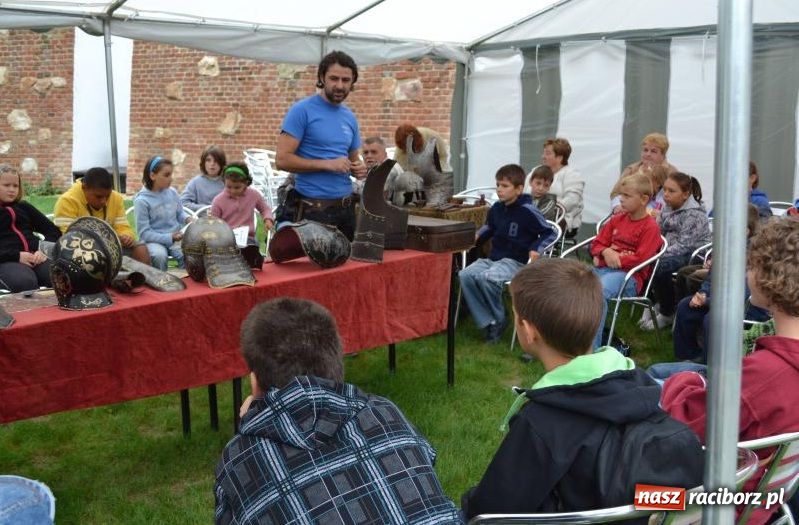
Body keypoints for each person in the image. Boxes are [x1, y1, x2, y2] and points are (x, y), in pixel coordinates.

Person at [461, 258, 703, 519]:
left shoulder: (541, 421)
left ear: (529, 331)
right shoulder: (639, 387)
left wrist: (467, 502)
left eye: (516, 315)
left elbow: (491, 512)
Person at [214, 297, 461, 525]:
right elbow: (425, 462)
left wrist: (250, 432)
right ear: (335, 362)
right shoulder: (384, 411)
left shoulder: (238, 458)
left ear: (255, 383)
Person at [662, 216, 799, 525]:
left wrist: (683, 381)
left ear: (767, 277)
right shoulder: (775, 367)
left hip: (717, 501)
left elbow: (681, 422)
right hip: (767, 499)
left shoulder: (765, 374)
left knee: (625, 494)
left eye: (750, 265)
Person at [459, 164, 557, 343]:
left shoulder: (528, 211)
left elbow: (550, 232)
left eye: (505, 186)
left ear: (519, 189)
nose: (499, 190)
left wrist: (536, 248)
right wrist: (477, 236)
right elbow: (490, 227)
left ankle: (500, 318)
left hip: (516, 262)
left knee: (485, 278)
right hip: (494, 259)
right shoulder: (497, 208)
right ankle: (488, 321)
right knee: (465, 275)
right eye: (498, 185)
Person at [275, 50, 367, 240]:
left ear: (352, 83)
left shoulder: (350, 117)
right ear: (321, 77)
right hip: (312, 211)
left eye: (346, 80)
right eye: (334, 78)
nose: (339, 85)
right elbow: (282, 160)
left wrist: (358, 168)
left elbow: (352, 160)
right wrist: (326, 164)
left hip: (346, 211)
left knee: (348, 270)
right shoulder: (301, 110)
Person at [668, 204, 769, 363]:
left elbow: (744, 293)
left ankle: (712, 367)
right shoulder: (726, 248)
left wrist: (708, 301)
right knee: (685, 307)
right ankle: (687, 357)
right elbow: (712, 277)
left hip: (748, 308)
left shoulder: (755, 255)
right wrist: (702, 293)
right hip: (719, 302)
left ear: (745, 231)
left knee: (713, 319)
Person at [590, 173, 662, 349]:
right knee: (570, 281)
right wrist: (606, 251)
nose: (621, 200)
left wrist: (615, 258)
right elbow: (596, 244)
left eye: (627, 196)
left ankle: (591, 351)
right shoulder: (617, 220)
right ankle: (568, 342)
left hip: (630, 278)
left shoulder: (650, 227)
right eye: (621, 195)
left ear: (644, 199)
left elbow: (641, 259)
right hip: (607, 271)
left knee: (597, 291)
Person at [639, 172, 711, 330]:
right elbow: (657, 232)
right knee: (642, 261)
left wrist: (656, 255)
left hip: (693, 255)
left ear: (685, 195)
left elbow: (684, 245)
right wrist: (649, 249)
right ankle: (654, 302)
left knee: (659, 266)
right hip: (670, 251)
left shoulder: (695, 214)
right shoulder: (668, 207)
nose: (665, 194)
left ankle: (667, 312)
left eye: (671, 191)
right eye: (664, 190)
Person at [53, 167, 150, 264]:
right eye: (98, 196)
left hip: (110, 248)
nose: (104, 201)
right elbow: (69, 239)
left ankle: (141, 279)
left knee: (140, 248)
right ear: (84, 187)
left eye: (107, 196)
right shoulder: (67, 201)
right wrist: (105, 241)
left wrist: (126, 236)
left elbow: (123, 227)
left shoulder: (116, 198)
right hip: (79, 254)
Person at [0, 165, 61, 292]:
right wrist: (17, 256)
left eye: (15, 186)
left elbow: (53, 231)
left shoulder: (23, 207)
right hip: (7, 261)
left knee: (60, 276)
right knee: (25, 282)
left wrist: (43, 250)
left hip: (36, 258)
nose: (12, 190)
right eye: (6, 185)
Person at [133, 156, 191, 271]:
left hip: (176, 240)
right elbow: (144, 233)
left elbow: (180, 213)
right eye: (166, 175)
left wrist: (187, 219)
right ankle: (161, 283)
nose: (171, 179)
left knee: (188, 254)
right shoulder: (141, 201)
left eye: (171, 174)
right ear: (152, 175)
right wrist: (169, 237)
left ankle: (185, 284)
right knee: (159, 256)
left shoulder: (172, 192)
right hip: (153, 242)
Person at [611, 133, 678, 213]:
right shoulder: (631, 169)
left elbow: (676, 200)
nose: (648, 154)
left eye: (653, 151)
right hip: (628, 215)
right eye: (645, 150)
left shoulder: (672, 173)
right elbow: (615, 193)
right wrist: (617, 206)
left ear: (663, 155)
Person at [210, 162, 273, 246]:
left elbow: (265, 209)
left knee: (251, 250)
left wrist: (267, 219)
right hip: (227, 240)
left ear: (246, 183)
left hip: (249, 239)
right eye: (228, 187)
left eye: (237, 187)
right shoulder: (218, 201)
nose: (233, 191)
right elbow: (214, 224)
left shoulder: (253, 195)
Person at [536, 138, 584, 234]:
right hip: (535, 216)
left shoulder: (572, 175)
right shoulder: (536, 171)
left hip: (561, 221)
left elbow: (572, 200)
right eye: (543, 153)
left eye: (547, 153)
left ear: (559, 158)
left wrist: (548, 207)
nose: (543, 156)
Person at [180, 145, 226, 212]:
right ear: (203, 163)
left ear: (221, 163)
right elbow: (183, 203)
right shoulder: (195, 182)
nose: (212, 164)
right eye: (208, 160)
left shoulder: (228, 182)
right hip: (202, 220)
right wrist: (205, 209)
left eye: (216, 160)